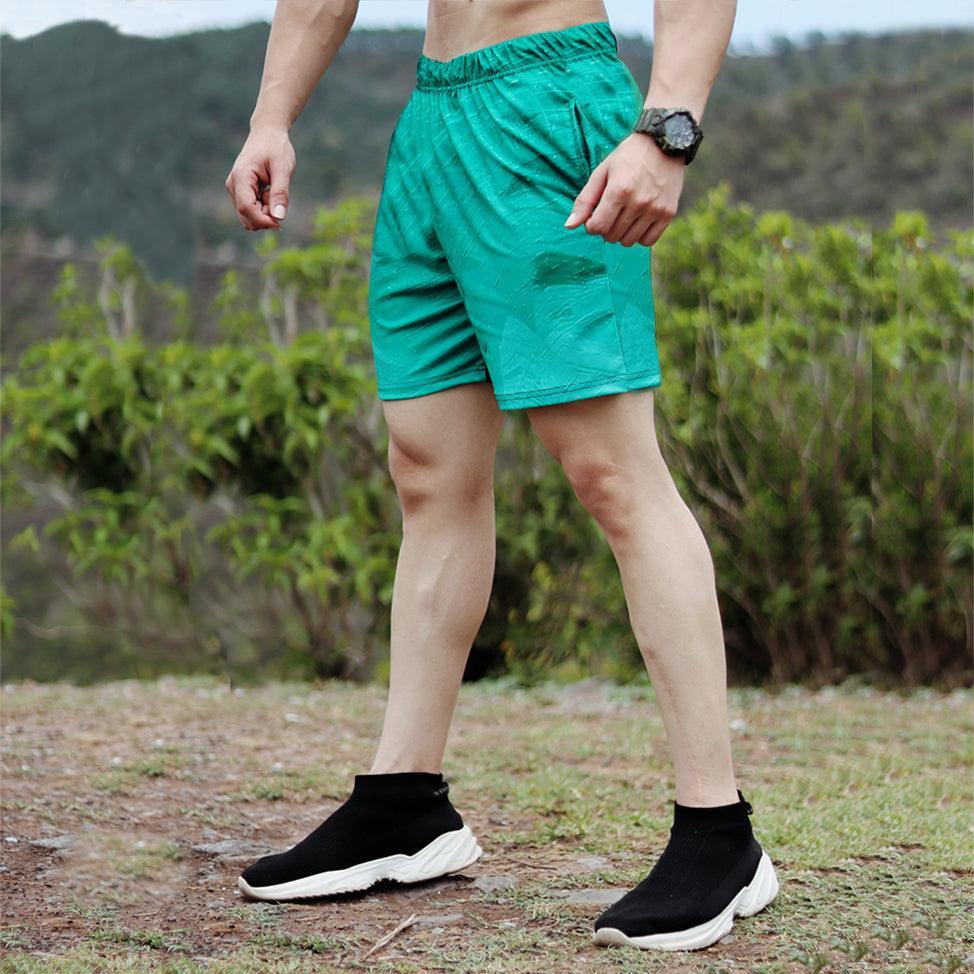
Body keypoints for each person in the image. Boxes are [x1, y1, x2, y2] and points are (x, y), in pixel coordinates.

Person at [225, 0, 779, 952]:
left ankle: (719, 833)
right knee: (427, 470)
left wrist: (667, 131)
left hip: (547, 106)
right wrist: (271, 117)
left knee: (611, 472)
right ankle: (404, 804)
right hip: (434, 120)